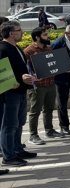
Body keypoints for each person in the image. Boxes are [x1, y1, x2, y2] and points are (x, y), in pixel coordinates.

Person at [0, 21, 37, 167]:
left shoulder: (17, 48)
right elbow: (3, 73)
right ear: (11, 33)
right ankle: (8, 156)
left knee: (18, 123)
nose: (22, 32)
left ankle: (17, 149)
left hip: (21, 91)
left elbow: (21, 68)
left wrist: (29, 76)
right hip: (9, 94)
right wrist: (19, 78)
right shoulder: (2, 49)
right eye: (19, 30)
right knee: (9, 125)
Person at [24, 27, 63, 145]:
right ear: (37, 37)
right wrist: (33, 76)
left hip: (50, 83)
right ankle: (33, 135)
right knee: (35, 111)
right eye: (45, 35)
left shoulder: (49, 49)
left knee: (49, 109)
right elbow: (24, 69)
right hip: (37, 86)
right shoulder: (28, 51)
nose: (48, 37)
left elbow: (53, 64)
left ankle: (49, 130)